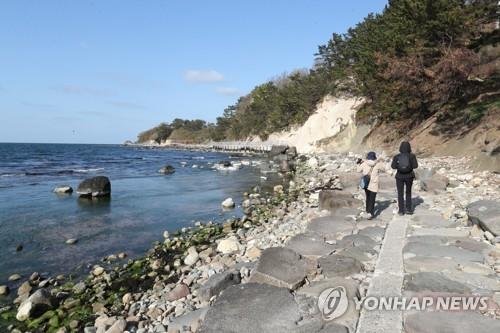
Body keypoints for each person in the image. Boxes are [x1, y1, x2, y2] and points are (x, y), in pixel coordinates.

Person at [391, 141, 418, 215]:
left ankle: (401, 210)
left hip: (399, 176)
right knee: (408, 192)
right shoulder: (412, 156)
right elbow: (415, 166)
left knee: (400, 193)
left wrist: (399, 166)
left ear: (400, 148)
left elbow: (393, 166)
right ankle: (409, 209)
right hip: (409, 176)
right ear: (409, 147)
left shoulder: (397, 156)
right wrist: (409, 167)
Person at [357, 151, 384, 219]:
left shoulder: (364, 163)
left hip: (366, 183)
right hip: (374, 183)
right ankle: (370, 213)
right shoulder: (377, 164)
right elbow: (384, 169)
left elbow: (358, 170)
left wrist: (358, 163)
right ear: (374, 157)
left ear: (367, 157)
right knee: (372, 198)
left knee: (368, 197)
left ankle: (367, 210)